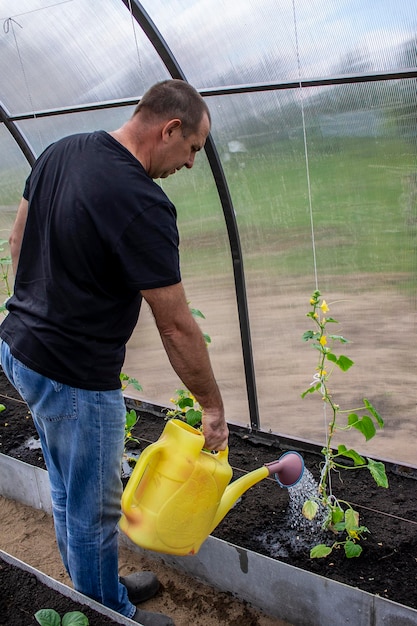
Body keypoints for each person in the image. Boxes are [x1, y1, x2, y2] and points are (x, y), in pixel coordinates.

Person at [0, 79, 229, 625]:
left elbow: (17, 239)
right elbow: (175, 325)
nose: (193, 164)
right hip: (73, 375)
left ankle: (90, 584)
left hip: (19, 348)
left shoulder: (61, 151)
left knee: (65, 484)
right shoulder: (143, 203)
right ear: (169, 128)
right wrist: (213, 407)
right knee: (94, 507)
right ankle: (108, 610)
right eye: (194, 148)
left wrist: (38, 306)